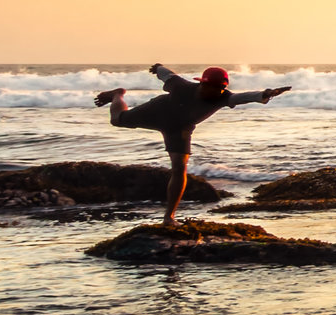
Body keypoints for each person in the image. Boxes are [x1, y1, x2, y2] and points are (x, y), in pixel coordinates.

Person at [94, 65, 292, 226]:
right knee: (118, 120)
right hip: (157, 111)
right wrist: (157, 68)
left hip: (180, 129)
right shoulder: (181, 86)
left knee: (179, 168)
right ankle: (117, 94)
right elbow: (167, 75)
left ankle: (169, 217)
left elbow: (245, 97)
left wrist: (267, 93)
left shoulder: (224, 97)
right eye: (209, 87)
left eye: (218, 89)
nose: (213, 92)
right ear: (202, 83)